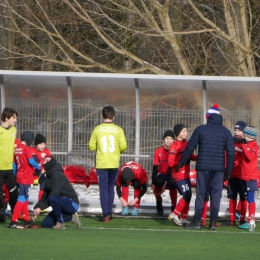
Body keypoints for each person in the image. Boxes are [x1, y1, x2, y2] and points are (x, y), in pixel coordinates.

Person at [178, 104, 234, 230]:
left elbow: (190, 147)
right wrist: (228, 171)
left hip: (203, 166)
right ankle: (213, 222)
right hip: (219, 168)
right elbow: (231, 153)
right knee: (216, 195)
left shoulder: (201, 129)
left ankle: (197, 221)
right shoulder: (226, 132)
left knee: (201, 194)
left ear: (208, 116)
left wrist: (181, 162)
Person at [88, 105, 127, 222]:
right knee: (111, 188)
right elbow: (124, 146)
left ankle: (105, 214)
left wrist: (98, 148)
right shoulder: (118, 130)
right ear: (113, 117)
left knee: (103, 189)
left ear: (102, 116)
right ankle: (110, 213)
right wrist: (117, 151)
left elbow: (91, 146)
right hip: (114, 162)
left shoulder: (97, 129)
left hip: (101, 163)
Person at [32, 156, 81, 229]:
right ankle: (70, 217)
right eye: (44, 160)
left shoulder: (58, 175)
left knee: (52, 198)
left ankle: (60, 223)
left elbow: (54, 194)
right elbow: (45, 195)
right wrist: (38, 207)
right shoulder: (48, 177)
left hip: (72, 203)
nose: (44, 162)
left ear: (52, 163)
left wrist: (41, 208)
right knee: (45, 224)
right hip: (60, 203)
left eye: (47, 160)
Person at [9, 131, 43, 228]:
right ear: (29, 139)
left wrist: (15, 175)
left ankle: (27, 220)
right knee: (21, 198)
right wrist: (39, 167)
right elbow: (31, 160)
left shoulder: (16, 148)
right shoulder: (26, 148)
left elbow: (14, 164)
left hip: (20, 176)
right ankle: (13, 220)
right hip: (26, 177)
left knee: (25, 198)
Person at [167, 124, 197, 226]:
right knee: (187, 195)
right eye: (184, 131)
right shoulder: (174, 146)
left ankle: (183, 218)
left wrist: (198, 157)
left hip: (186, 175)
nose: (186, 133)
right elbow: (170, 162)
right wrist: (179, 163)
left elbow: (190, 156)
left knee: (188, 196)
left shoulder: (187, 143)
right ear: (178, 133)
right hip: (178, 175)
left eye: (186, 131)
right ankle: (175, 214)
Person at [222, 121, 248, 227]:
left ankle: (242, 219)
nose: (237, 133)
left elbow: (249, 159)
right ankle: (231, 219)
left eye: (239, 131)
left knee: (243, 197)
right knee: (232, 196)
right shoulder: (230, 141)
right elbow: (225, 157)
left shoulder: (246, 142)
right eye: (236, 130)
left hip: (242, 175)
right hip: (232, 174)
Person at [152, 130, 178, 216]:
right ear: (163, 139)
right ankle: (158, 201)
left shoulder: (175, 151)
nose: (169, 140)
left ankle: (173, 206)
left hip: (173, 173)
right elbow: (155, 167)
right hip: (162, 173)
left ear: (173, 140)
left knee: (172, 183)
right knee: (158, 181)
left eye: (171, 138)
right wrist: (153, 182)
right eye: (167, 138)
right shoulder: (158, 151)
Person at [238, 126, 259, 230]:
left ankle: (252, 221)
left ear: (249, 136)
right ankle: (246, 219)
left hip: (250, 177)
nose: (243, 136)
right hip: (244, 176)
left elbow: (250, 157)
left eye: (245, 134)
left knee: (251, 199)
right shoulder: (247, 145)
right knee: (245, 198)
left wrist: (244, 147)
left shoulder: (254, 146)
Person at [0, 107, 18, 222]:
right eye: (13, 118)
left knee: (14, 191)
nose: (15, 120)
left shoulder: (13, 130)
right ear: (7, 118)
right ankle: (1, 212)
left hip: (9, 167)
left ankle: (14, 213)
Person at [31, 133, 52, 201]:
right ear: (36, 144)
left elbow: (50, 161)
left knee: (43, 186)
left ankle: (40, 203)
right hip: (32, 173)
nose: (42, 146)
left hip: (42, 173)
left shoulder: (46, 151)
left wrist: (45, 168)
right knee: (25, 188)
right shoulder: (31, 151)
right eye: (40, 144)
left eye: (44, 144)